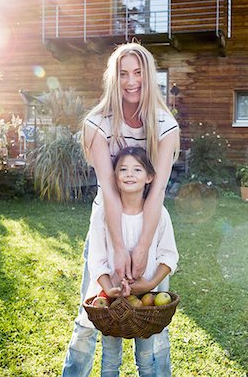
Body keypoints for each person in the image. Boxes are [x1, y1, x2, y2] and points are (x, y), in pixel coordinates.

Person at [62, 42, 180, 377]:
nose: (131, 81)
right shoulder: (97, 123)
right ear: (114, 78)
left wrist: (143, 246)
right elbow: (108, 191)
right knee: (90, 317)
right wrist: (117, 247)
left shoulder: (165, 125)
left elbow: (156, 193)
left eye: (138, 72)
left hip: (148, 225)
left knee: (153, 326)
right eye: (123, 73)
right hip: (106, 225)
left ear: (149, 76)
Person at [81, 146, 179, 376]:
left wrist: (149, 284)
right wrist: (109, 289)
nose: (129, 174)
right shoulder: (102, 213)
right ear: (114, 176)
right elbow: (96, 258)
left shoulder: (158, 213)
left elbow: (169, 254)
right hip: (110, 301)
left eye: (137, 169)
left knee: (146, 359)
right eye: (122, 169)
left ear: (150, 177)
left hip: (147, 301)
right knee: (110, 359)